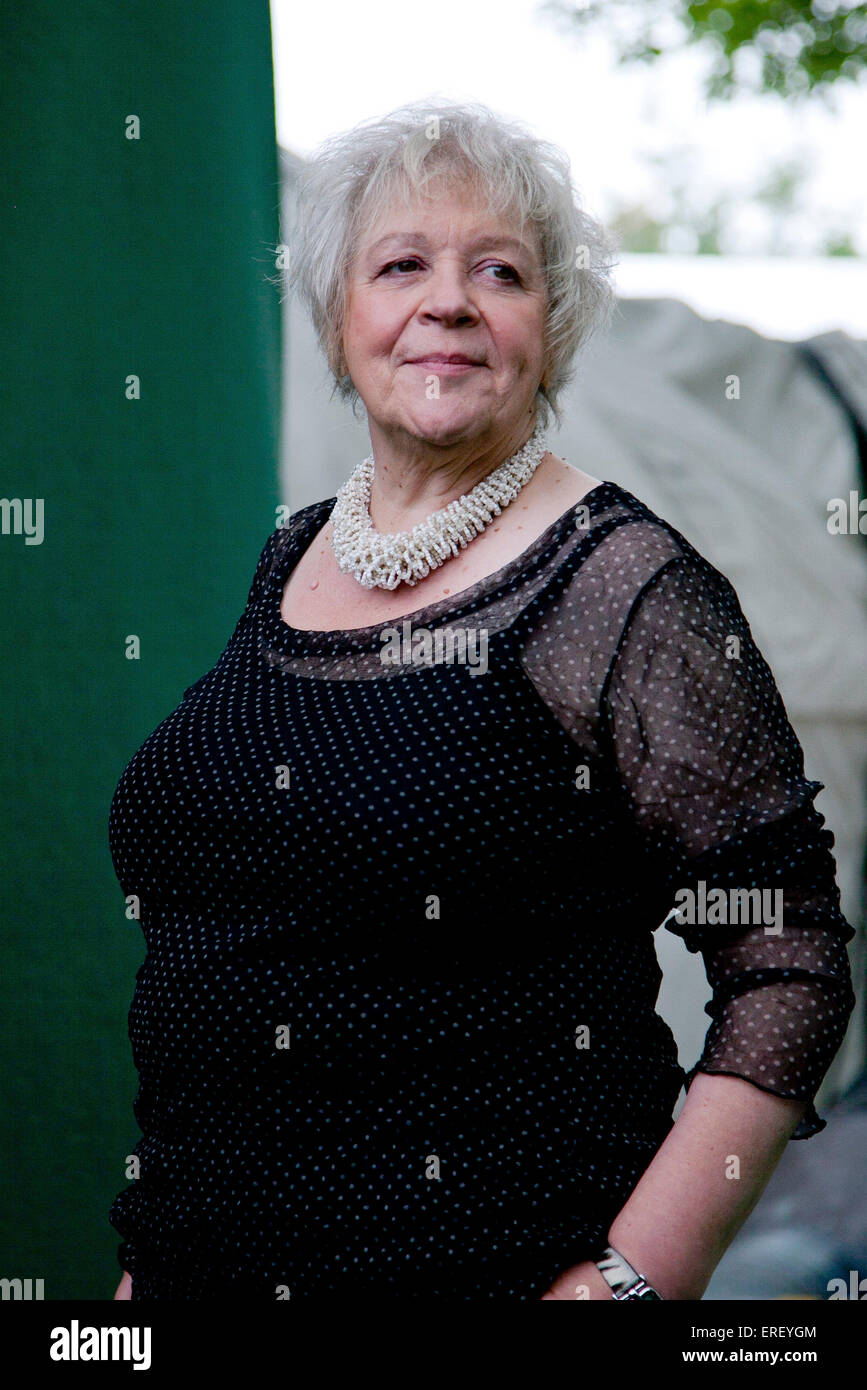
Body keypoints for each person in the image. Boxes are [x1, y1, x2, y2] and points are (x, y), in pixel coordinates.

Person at [109, 99, 856, 1300]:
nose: (446, 301)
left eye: (497, 271)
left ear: (549, 330)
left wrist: (630, 1283)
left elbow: (790, 956)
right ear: (338, 315)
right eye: (400, 265)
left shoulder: (622, 586)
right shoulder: (290, 557)